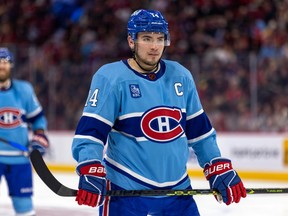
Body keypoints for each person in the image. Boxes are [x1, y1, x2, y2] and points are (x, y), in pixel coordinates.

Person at [71, 9, 246, 216]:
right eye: (146, 38)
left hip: (178, 193)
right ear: (131, 41)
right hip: (126, 193)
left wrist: (215, 164)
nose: (154, 46)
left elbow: (200, 133)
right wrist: (91, 165)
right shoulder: (111, 77)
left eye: (160, 38)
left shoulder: (181, 76)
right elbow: (90, 134)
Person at [0, 47, 49, 216]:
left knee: (24, 207)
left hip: (19, 158)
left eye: (5, 62)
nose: (2, 66)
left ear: (11, 65)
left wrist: (40, 135)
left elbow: (38, 119)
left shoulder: (24, 90)